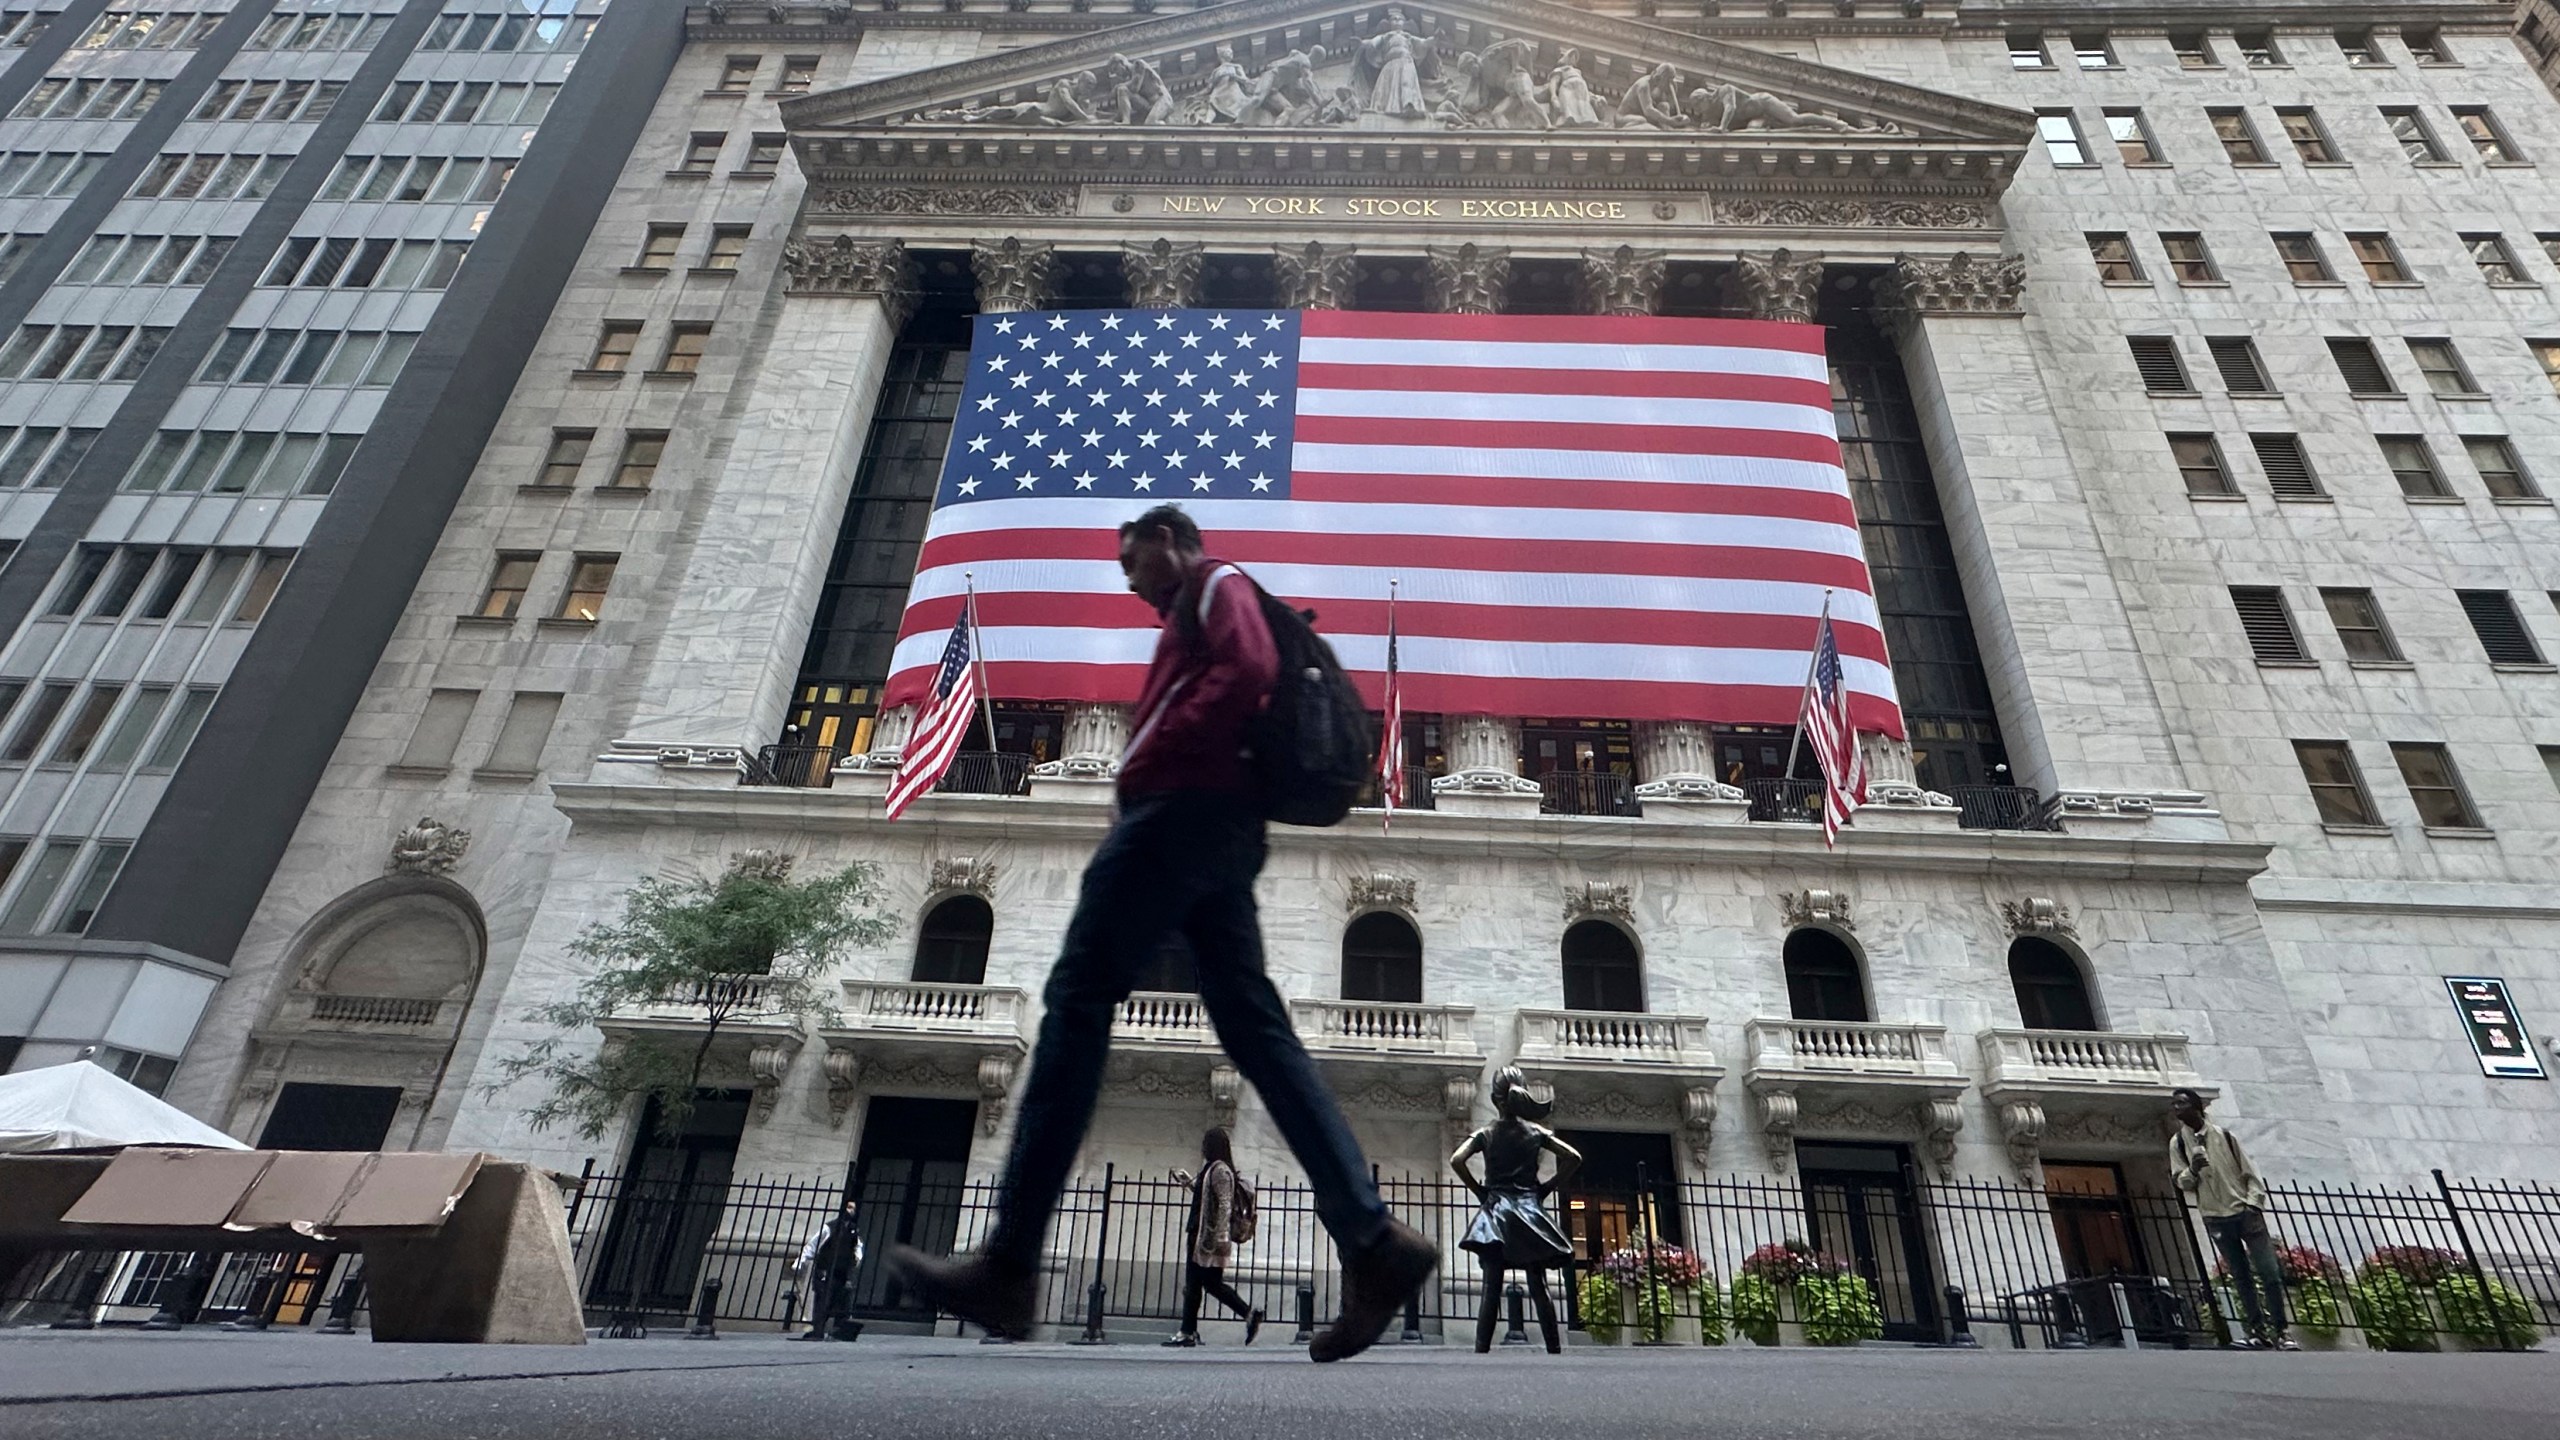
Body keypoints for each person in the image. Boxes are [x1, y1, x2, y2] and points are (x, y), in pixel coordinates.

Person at [890, 504, 1437, 1362]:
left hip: (1180, 814)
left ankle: (1011, 1260)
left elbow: (1251, 666)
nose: (1125, 573)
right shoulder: (1188, 613)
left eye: (1134, 555)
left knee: (1076, 1002)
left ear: (1174, 542)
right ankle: (1374, 1243)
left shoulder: (1215, 583)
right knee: (1255, 1030)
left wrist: (1156, 758)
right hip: (1215, 824)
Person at [1451, 1067, 1581, 1354]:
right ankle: (1553, 1347)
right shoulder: (1536, 1132)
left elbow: (1457, 1160)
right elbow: (1573, 1157)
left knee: (1491, 1288)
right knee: (1538, 1285)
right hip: (1529, 1213)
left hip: (1497, 1213)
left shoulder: (1486, 1133)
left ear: (1495, 1099)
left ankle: (1482, 1347)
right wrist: (1546, 1188)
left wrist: (1479, 1191)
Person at [2169, 1087, 2295, 1349]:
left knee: (2269, 1272)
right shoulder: (2178, 1143)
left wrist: (2253, 1206)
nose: (2177, 1108)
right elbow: (2181, 1182)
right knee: (2240, 1276)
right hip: (2215, 1216)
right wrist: (2192, 1169)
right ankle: (2257, 1332)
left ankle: (2282, 1331)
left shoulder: (2225, 1137)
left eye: (2182, 1103)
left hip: (2244, 1212)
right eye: (2174, 1104)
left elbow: (2251, 1174)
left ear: (2197, 1106)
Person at [1164, 1127, 1265, 1346]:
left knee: (1197, 1284)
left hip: (1206, 1239)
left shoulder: (1220, 1170)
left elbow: (1225, 1204)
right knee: (1208, 1284)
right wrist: (1190, 1183)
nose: (1202, 1148)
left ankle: (1188, 1332)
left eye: (1205, 1144)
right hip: (1203, 1235)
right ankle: (1247, 1314)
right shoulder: (1212, 1169)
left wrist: (1214, 1239)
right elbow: (1208, 1200)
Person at [792, 1198, 863, 1341]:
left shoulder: (853, 1230)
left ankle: (837, 1330)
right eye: (849, 1207)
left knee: (838, 1300)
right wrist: (800, 1262)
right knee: (822, 1299)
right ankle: (817, 1330)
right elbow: (813, 1245)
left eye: (853, 1208)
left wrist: (856, 1259)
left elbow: (857, 1247)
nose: (851, 1211)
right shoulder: (830, 1227)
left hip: (841, 1271)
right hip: (825, 1269)